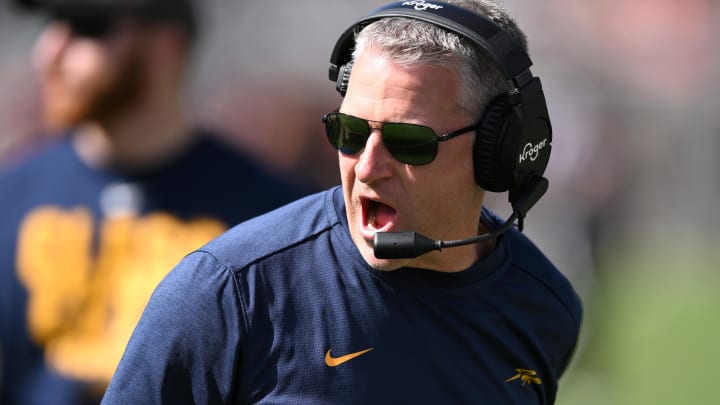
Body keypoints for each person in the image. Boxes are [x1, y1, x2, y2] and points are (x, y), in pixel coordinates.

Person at [102, 0, 582, 403]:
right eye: (349, 133)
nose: (368, 166)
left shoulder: (543, 306)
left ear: (495, 151)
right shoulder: (227, 292)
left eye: (408, 141)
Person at [0, 0, 313, 404]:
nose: (49, 53)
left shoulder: (273, 217)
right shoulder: (12, 192)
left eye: (86, 27)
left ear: (165, 44)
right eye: (50, 26)